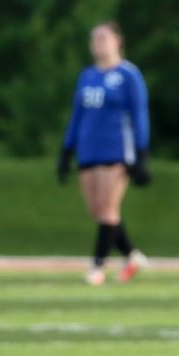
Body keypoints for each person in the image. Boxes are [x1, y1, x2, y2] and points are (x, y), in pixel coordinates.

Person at [58, 21, 151, 286]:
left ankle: (97, 266)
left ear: (117, 41)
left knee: (109, 209)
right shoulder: (87, 76)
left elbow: (139, 115)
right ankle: (131, 255)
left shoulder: (128, 75)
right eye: (93, 39)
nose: (97, 44)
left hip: (117, 149)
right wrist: (67, 149)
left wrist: (142, 152)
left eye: (102, 38)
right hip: (89, 150)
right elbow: (78, 115)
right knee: (97, 210)